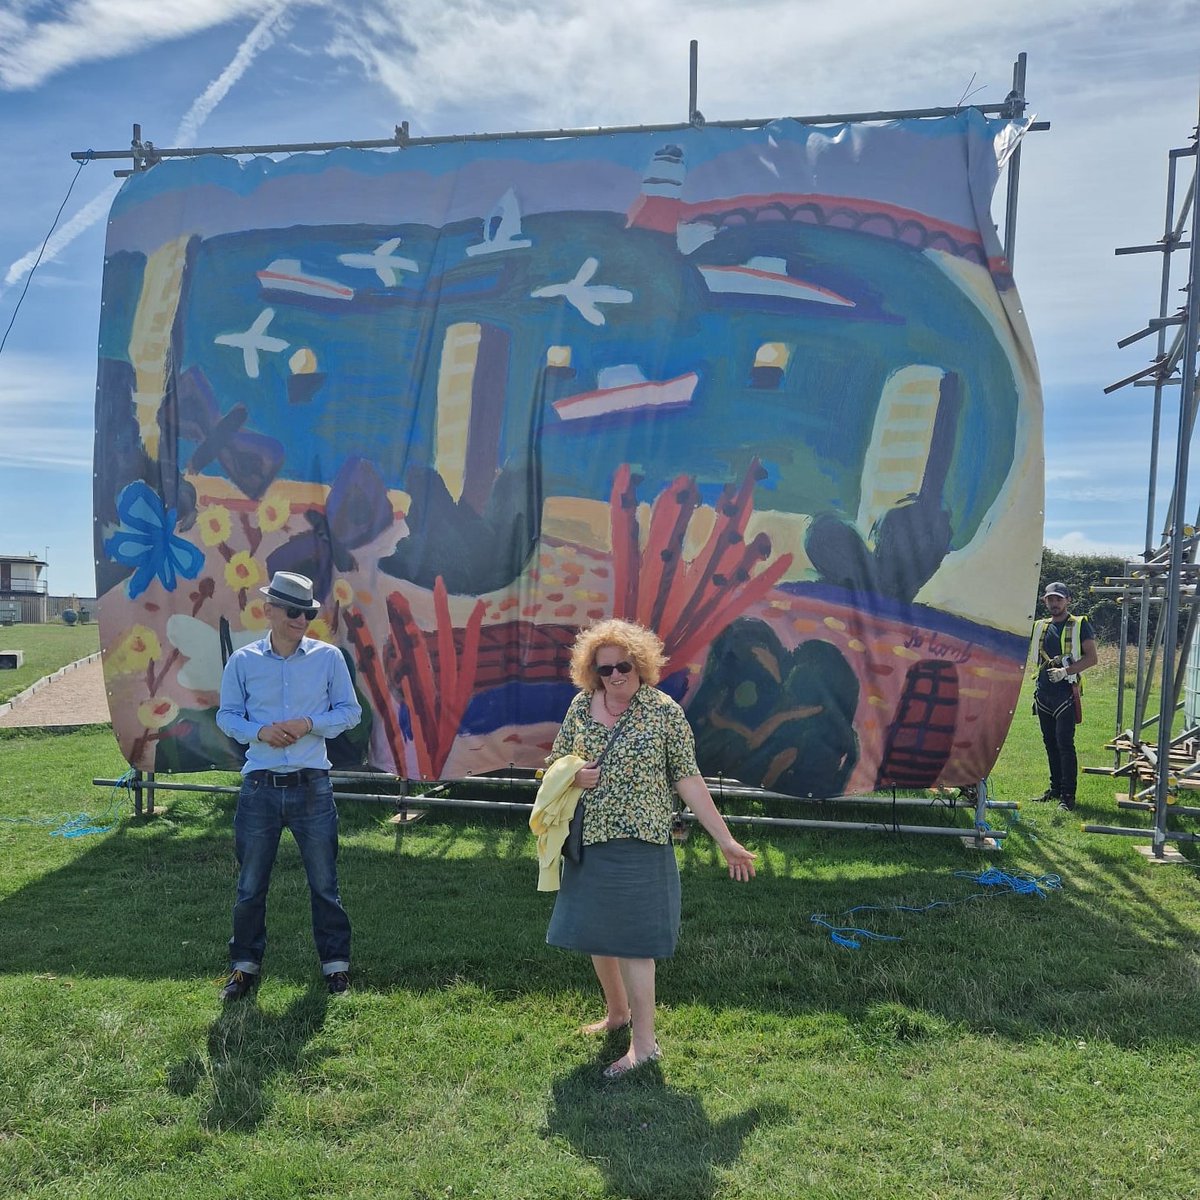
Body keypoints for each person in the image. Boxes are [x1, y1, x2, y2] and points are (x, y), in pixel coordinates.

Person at [544, 618, 756, 1079]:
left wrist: (726, 840)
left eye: (623, 666)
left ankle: (644, 1045)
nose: (615, 676)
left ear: (640, 665)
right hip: (588, 840)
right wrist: (574, 775)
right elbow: (556, 761)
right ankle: (617, 1014)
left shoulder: (664, 712)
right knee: (596, 933)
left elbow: (688, 778)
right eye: (605, 669)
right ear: (593, 672)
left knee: (635, 943)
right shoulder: (581, 706)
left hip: (641, 843)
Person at [215, 570, 362, 1000]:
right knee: (250, 886)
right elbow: (227, 716)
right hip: (259, 787)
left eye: (308, 613)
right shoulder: (243, 661)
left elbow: (350, 712)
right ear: (269, 610)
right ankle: (243, 967)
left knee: (325, 884)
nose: (301, 620)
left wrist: (308, 723)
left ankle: (336, 967)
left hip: (312, 785)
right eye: (294, 612)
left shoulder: (328, 658)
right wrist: (260, 732)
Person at [1030, 581, 1097, 812]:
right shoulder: (1040, 626)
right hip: (1044, 693)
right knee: (1050, 743)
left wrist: (1066, 671)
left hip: (1066, 692)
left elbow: (1092, 658)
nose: (1054, 603)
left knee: (1065, 745)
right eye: (1050, 599)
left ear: (1068, 600)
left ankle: (1068, 796)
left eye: (1059, 598)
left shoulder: (1080, 624)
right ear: (1045, 601)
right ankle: (1055, 788)